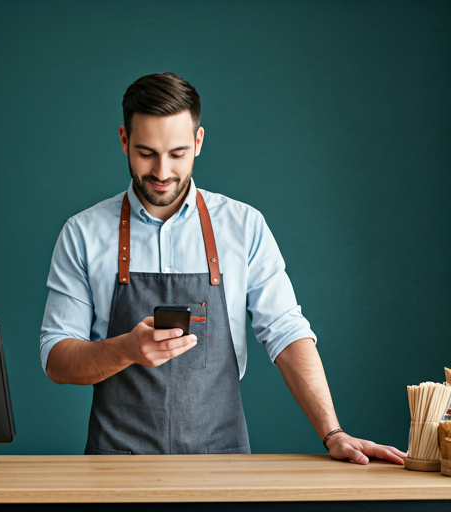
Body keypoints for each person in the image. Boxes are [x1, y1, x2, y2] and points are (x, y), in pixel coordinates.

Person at [40, 72, 406, 464]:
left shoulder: (243, 226)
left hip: (223, 466)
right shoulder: (83, 232)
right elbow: (56, 357)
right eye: (147, 153)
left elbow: (286, 331)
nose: (162, 172)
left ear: (198, 142)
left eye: (177, 153)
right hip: (113, 466)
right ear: (124, 140)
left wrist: (332, 432)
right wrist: (126, 349)